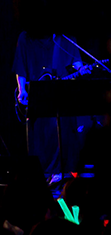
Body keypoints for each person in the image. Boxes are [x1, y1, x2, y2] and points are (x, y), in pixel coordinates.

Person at [13, 30, 95, 183]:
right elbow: (20, 66)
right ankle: (43, 174)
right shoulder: (26, 37)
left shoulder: (64, 37)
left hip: (61, 94)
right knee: (42, 135)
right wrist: (22, 89)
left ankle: (61, 172)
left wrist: (82, 69)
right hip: (37, 94)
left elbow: (76, 62)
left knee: (63, 131)